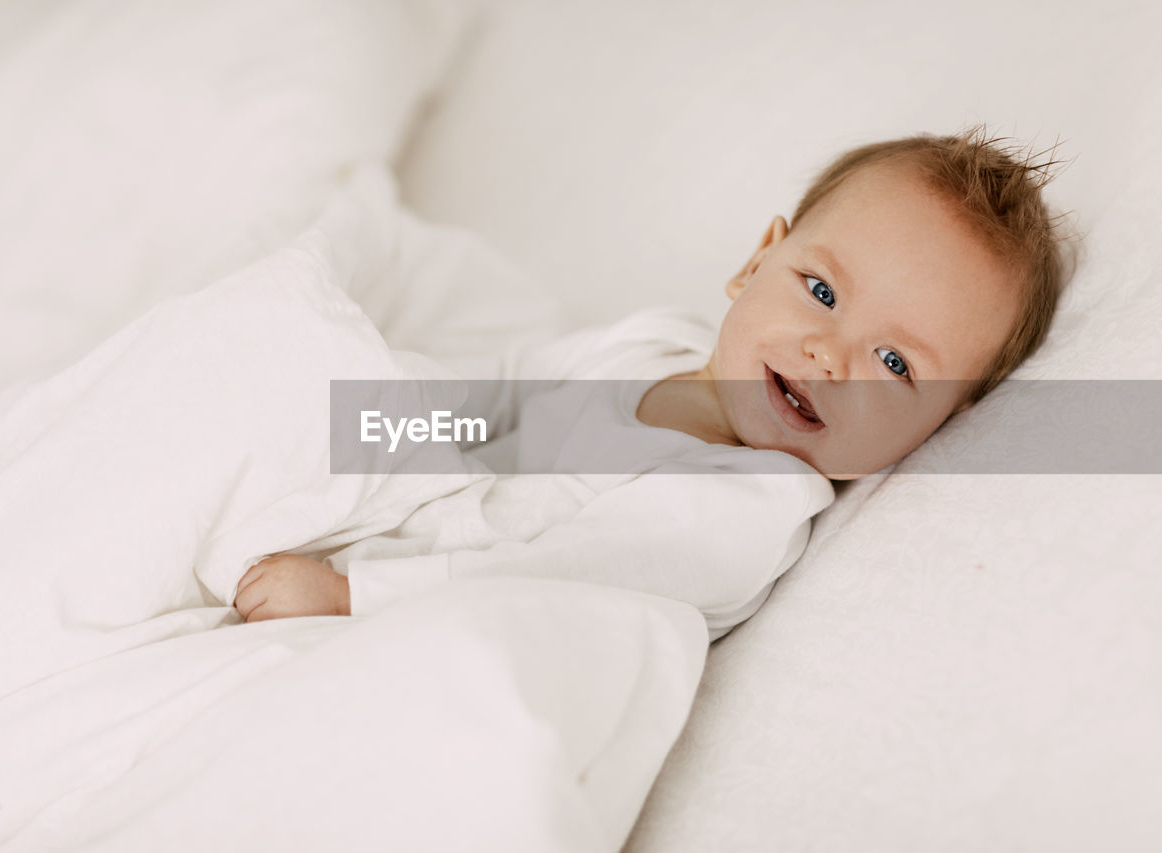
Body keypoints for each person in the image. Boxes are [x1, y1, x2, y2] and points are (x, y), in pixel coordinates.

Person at [234, 126, 1070, 639]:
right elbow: (509, 395)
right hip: (403, 516)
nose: (828, 355)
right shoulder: (656, 340)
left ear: (941, 426)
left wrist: (353, 597)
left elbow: (561, 583)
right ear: (755, 261)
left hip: (414, 606)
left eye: (895, 365)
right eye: (821, 292)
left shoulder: (751, 505)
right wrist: (366, 433)